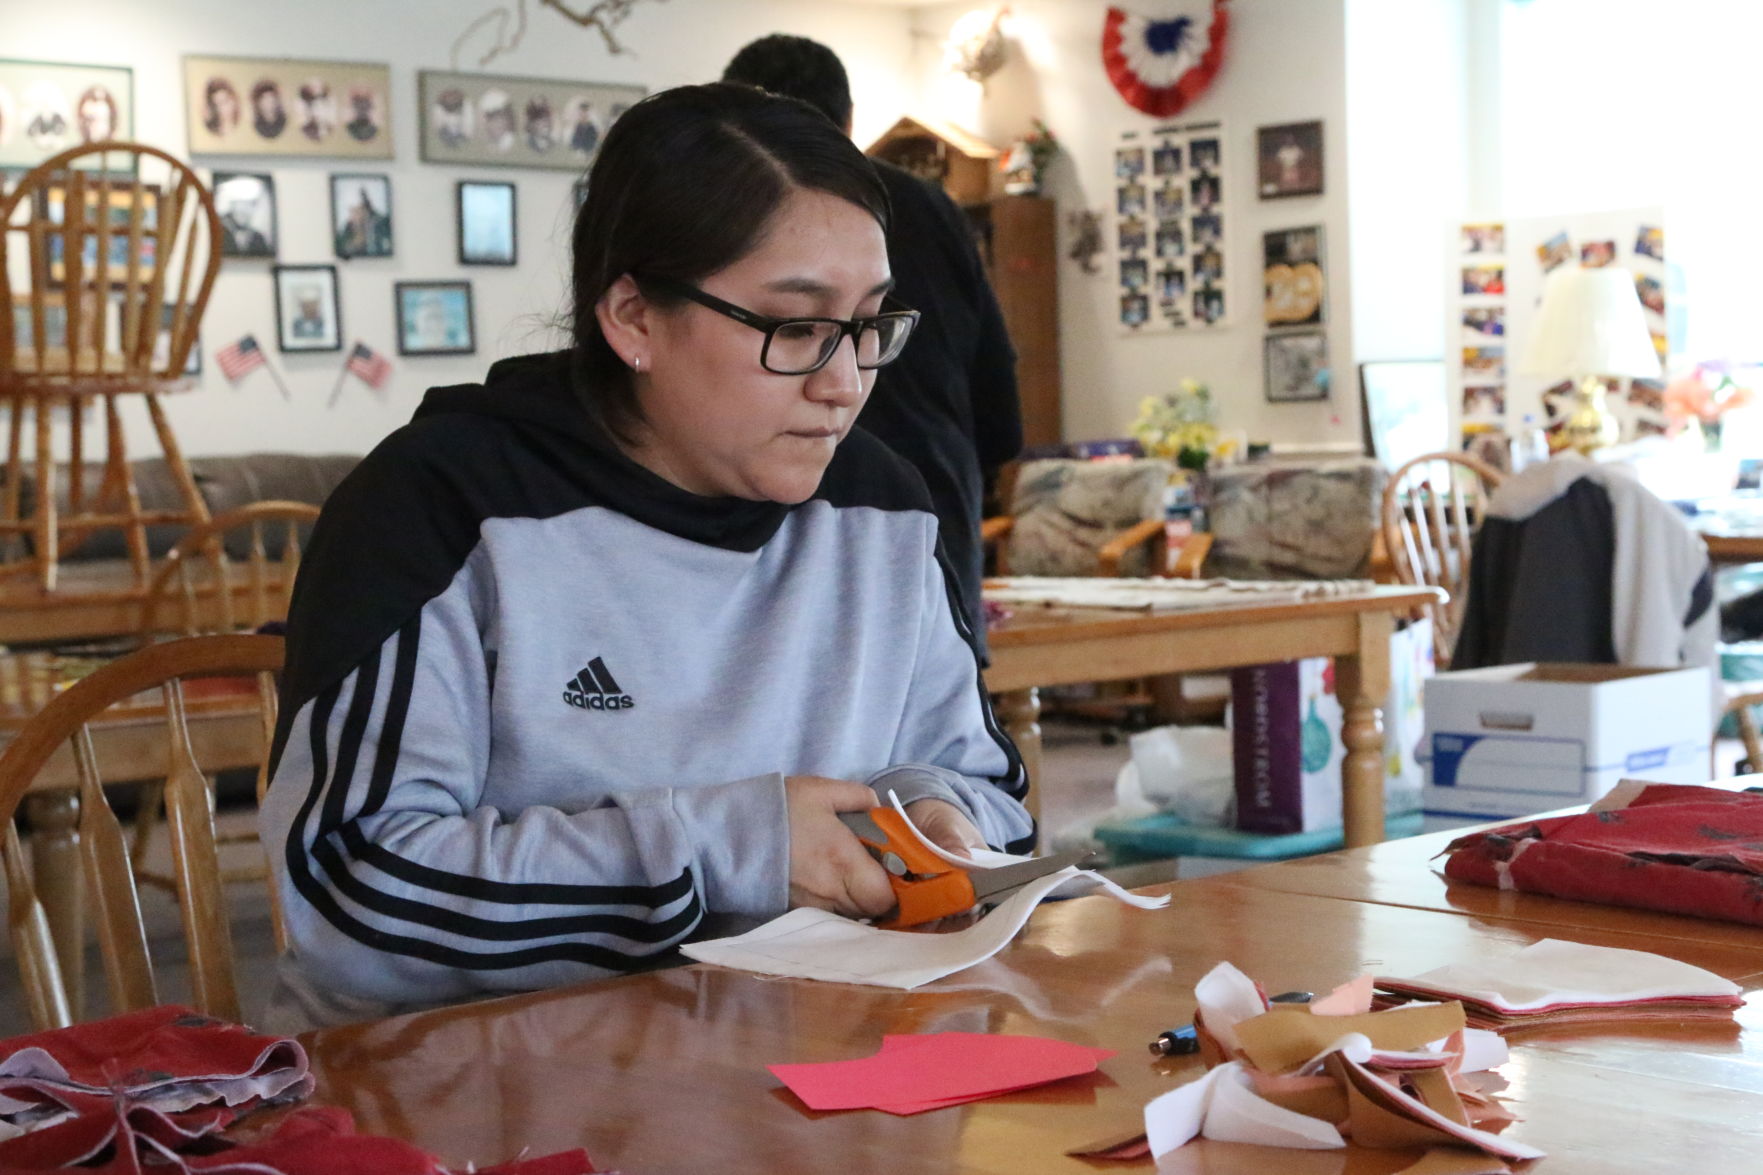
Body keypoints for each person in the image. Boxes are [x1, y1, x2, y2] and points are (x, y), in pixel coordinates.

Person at [259, 82, 1032, 1030]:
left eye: (869, 325)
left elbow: (989, 791)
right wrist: (727, 847)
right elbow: (356, 892)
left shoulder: (883, 509)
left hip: (795, 1062)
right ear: (632, 318)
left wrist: (934, 823)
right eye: (794, 327)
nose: (843, 383)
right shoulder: (445, 510)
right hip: (471, 1085)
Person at [722, 34, 1021, 657]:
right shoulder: (931, 207)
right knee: (943, 731)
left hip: (797, 520)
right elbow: (999, 399)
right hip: (933, 500)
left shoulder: (734, 209)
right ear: (851, 121)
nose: (843, 374)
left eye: (870, 317)